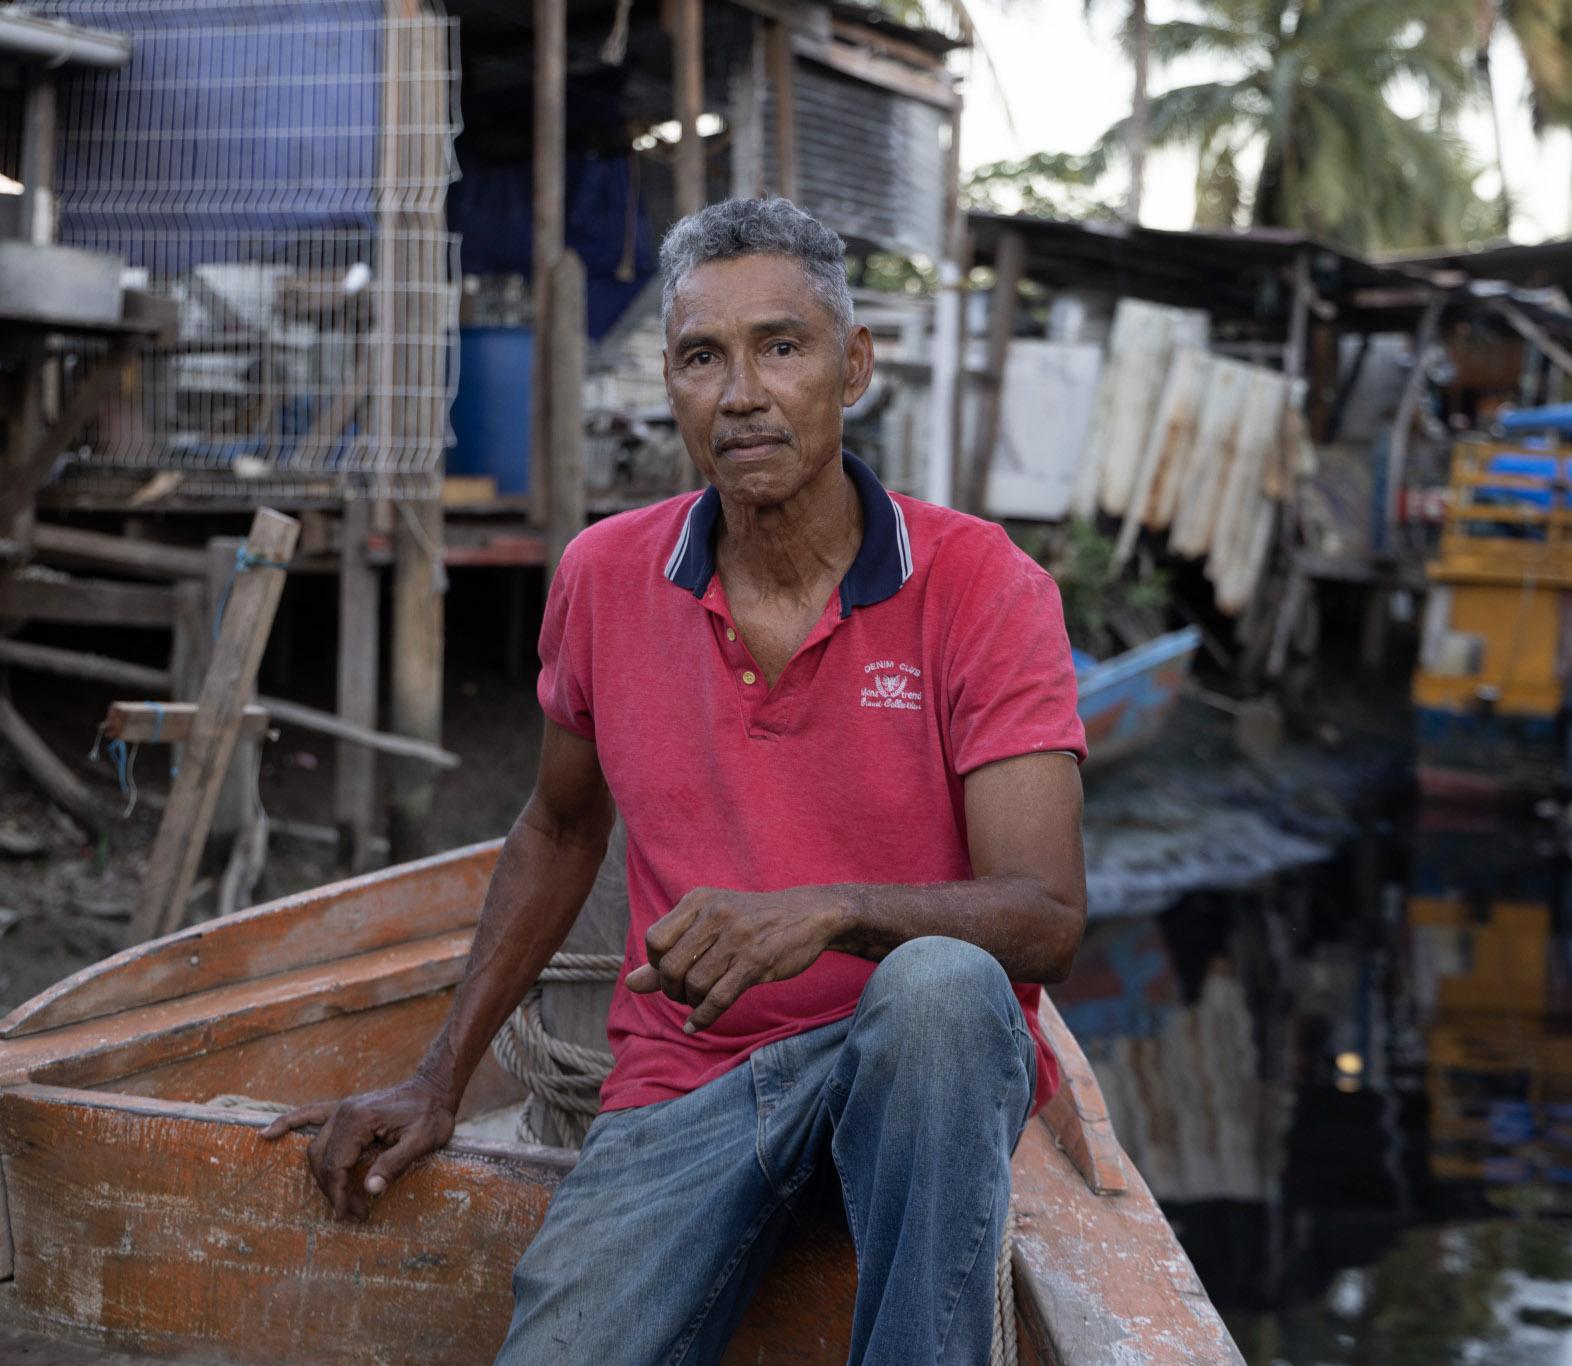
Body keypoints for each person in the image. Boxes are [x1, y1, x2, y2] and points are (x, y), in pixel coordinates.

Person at [261, 197, 1088, 1365]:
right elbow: (556, 830)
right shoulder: (605, 574)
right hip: (682, 1087)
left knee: (943, 987)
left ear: (852, 367)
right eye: (704, 356)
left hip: (912, 1093)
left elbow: (1046, 917)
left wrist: (833, 911)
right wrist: (438, 1077)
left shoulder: (980, 585)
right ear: (669, 383)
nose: (741, 392)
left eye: (781, 347)